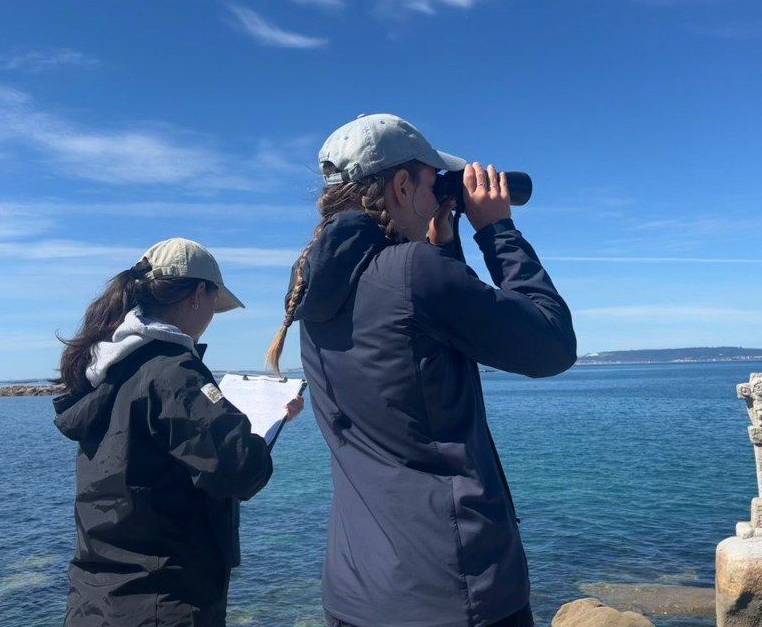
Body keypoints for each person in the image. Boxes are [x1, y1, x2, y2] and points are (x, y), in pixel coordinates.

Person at [266, 114, 577, 627]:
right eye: (435, 184)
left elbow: (437, 346)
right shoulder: (413, 274)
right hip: (453, 593)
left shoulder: (316, 288)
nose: (440, 198)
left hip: (357, 591)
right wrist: (497, 231)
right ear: (402, 184)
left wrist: (444, 245)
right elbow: (550, 345)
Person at [54, 237, 303, 627]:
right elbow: (240, 470)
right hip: (163, 600)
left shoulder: (110, 371)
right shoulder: (173, 372)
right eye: (213, 305)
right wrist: (263, 428)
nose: (210, 317)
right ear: (197, 295)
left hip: (95, 598)